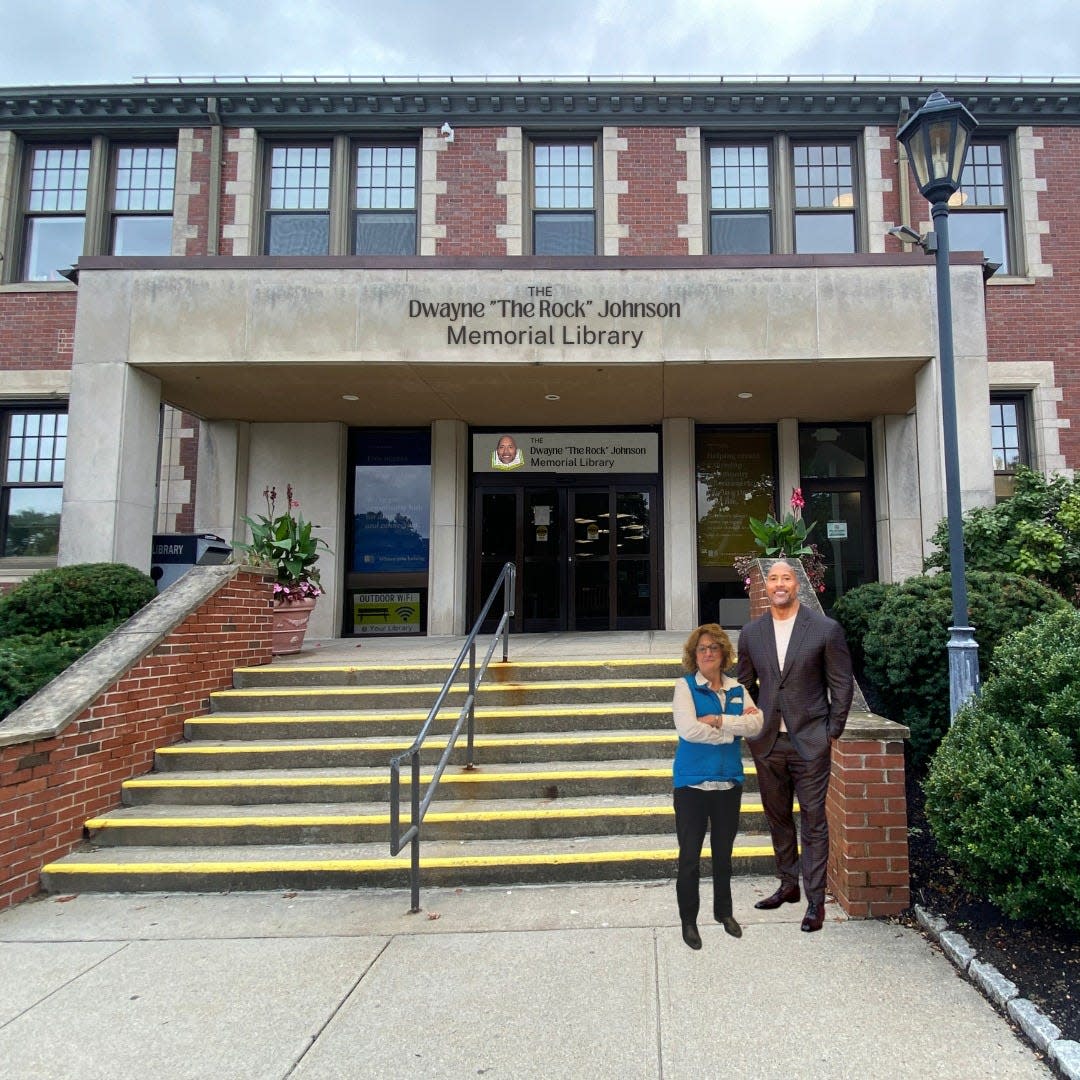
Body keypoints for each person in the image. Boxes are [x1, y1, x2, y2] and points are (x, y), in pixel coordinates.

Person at [736, 558, 854, 933]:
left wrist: (831, 730)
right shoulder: (752, 633)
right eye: (773, 579)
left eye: (786, 578)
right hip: (769, 742)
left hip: (810, 741)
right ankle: (788, 885)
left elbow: (841, 684)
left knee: (814, 821)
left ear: (797, 584)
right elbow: (744, 686)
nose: (780, 584)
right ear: (765, 587)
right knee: (778, 818)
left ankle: (815, 902)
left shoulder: (824, 629)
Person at [672, 623, 762, 950]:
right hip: (692, 785)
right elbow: (688, 730)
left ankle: (724, 913)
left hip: (729, 784)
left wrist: (721, 721)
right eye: (702, 649)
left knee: (723, 856)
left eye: (714, 648)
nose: (708, 653)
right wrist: (731, 733)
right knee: (690, 858)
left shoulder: (737, 689)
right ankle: (689, 921)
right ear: (694, 656)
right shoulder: (685, 688)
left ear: (724, 653)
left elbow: (756, 724)